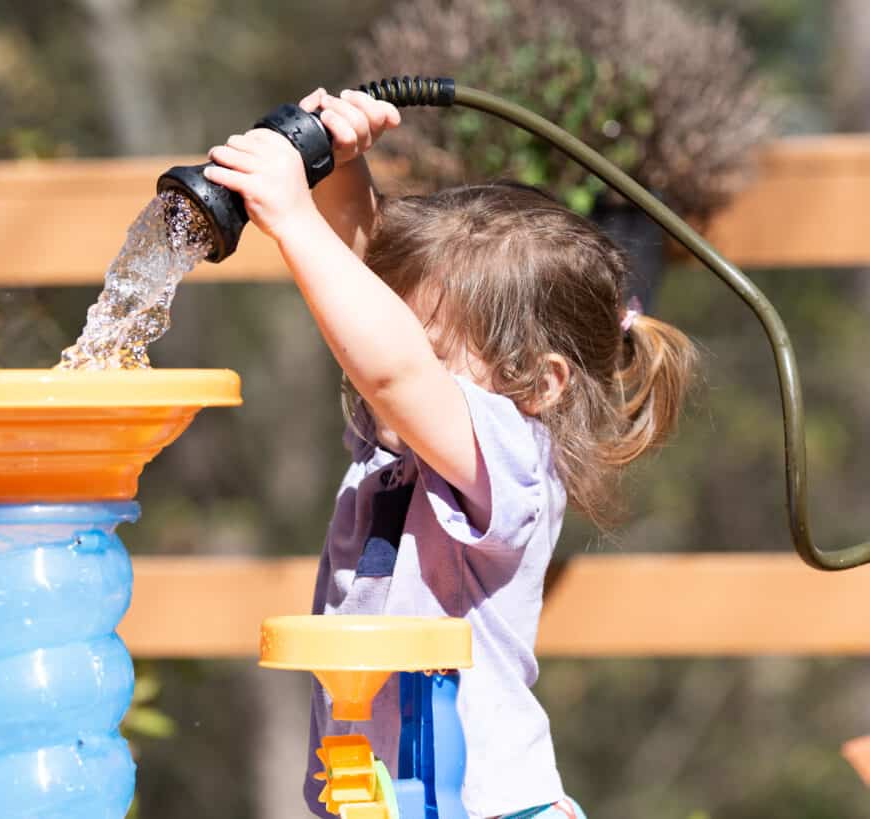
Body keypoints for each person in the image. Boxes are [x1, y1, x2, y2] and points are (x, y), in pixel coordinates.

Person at [203, 87, 696, 819]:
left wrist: (292, 218)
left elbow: (393, 364)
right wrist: (338, 171)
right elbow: (377, 312)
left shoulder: (508, 456)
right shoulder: (404, 440)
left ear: (537, 379)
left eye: (432, 355)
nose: (396, 363)